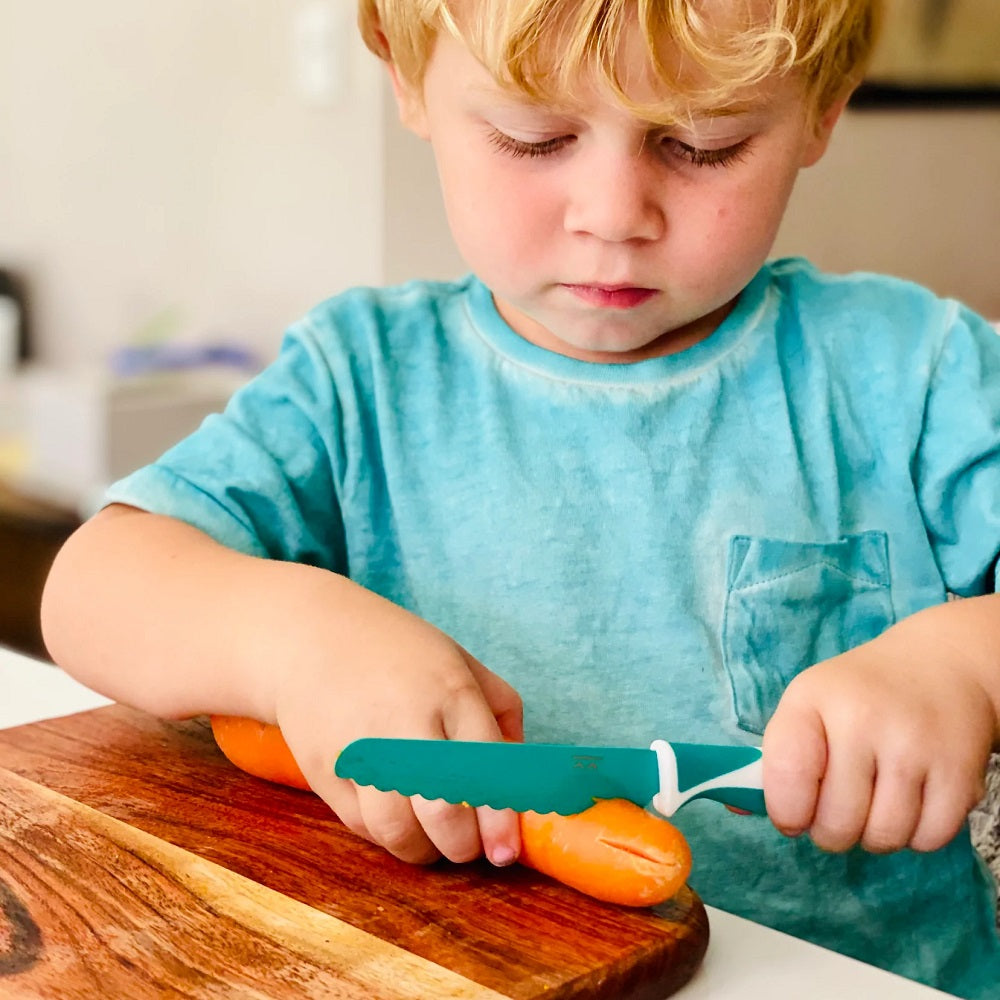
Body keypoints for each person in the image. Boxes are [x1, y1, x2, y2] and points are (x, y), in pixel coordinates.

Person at [40, 0, 1000, 994]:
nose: (613, 213)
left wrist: (964, 664)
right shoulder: (361, 381)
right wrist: (293, 641)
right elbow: (91, 589)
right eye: (532, 137)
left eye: (702, 144)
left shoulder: (915, 375)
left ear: (822, 110)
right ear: (408, 83)